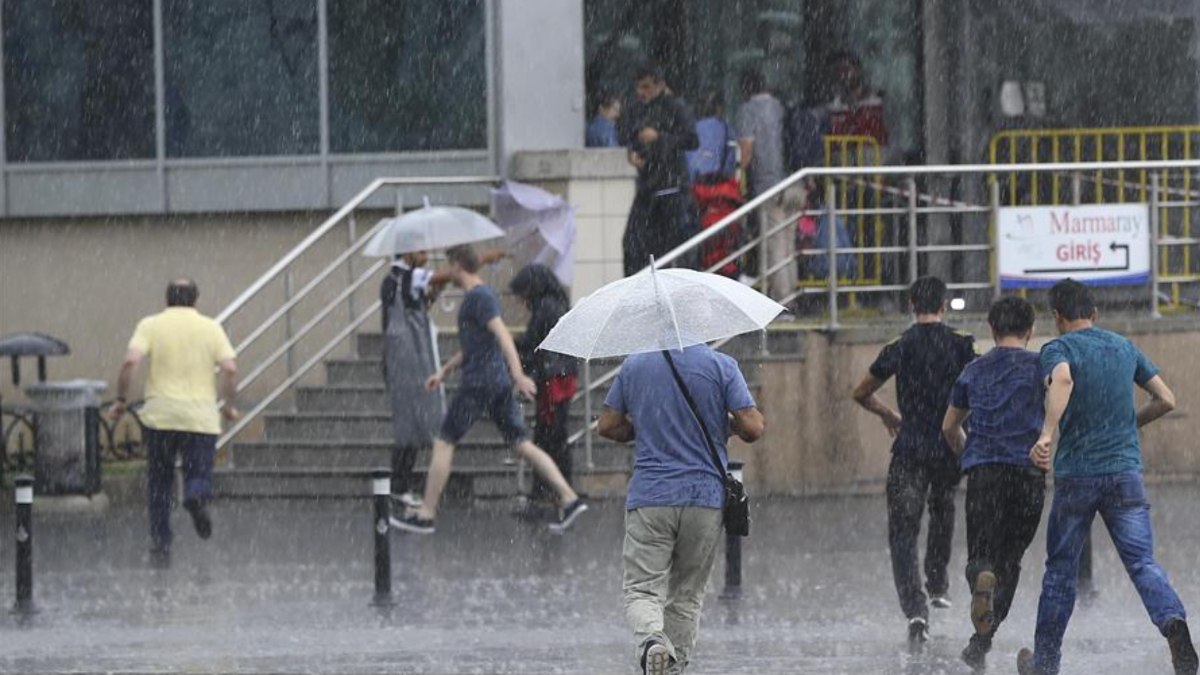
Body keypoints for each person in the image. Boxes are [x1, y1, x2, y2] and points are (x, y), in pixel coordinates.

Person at [1017, 279, 1198, 675]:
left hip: (1078, 477)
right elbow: (1166, 399)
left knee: (1061, 570)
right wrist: (1129, 425)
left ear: (1057, 317)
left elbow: (1062, 380)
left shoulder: (1057, 348)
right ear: (1095, 315)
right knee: (1142, 563)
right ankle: (1173, 624)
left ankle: (1045, 663)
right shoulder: (1123, 346)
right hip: (1124, 474)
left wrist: (1047, 433)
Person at [392, 245, 588, 535]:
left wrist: (519, 375)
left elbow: (502, 337)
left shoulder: (478, 297)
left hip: (480, 382)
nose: (448, 273)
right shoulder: (481, 296)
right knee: (522, 444)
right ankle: (569, 498)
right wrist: (444, 372)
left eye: (449, 266)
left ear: (458, 265)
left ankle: (425, 515)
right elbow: (477, 344)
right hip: (495, 381)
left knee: (445, 442)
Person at [599, 344, 764, 675]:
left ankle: (650, 641)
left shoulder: (634, 366)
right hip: (704, 498)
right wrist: (725, 424)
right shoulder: (722, 365)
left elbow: (606, 425)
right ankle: (673, 668)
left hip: (651, 496)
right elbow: (753, 427)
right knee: (687, 595)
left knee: (643, 588)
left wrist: (641, 429)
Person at [851, 276, 976, 645]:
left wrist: (888, 414)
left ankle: (915, 610)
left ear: (911, 305)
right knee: (943, 508)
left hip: (909, 450)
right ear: (943, 306)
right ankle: (937, 583)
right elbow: (976, 390)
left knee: (903, 531)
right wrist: (961, 424)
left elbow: (861, 392)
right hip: (947, 446)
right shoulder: (960, 344)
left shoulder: (900, 346)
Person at [941, 296, 1046, 671]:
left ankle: (981, 583)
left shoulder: (974, 369)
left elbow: (949, 426)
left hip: (985, 474)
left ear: (992, 329)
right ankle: (980, 642)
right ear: (1031, 330)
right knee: (1010, 562)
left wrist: (970, 454)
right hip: (1029, 474)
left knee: (981, 557)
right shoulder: (1041, 368)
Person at [111, 278, 238, 562]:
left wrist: (120, 400)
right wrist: (229, 406)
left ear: (167, 299)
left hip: (160, 416)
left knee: (159, 480)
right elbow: (230, 368)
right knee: (199, 473)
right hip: (200, 418)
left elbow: (130, 362)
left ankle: (160, 540)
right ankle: (194, 495)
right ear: (196, 299)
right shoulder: (211, 328)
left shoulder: (151, 325)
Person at [510, 264, 578, 511]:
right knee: (551, 436)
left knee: (550, 437)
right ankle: (554, 492)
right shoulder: (553, 304)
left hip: (553, 381)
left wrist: (510, 345)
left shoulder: (546, 308)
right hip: (559, 377)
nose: (520, 300)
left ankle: (551, 493)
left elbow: (535, 344)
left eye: (521, 293)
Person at [619, 64, 699, 276]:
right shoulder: (638, 109)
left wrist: (660, 138)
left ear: (659, 85)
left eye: (646, 87)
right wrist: (634, 152)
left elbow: (692, 140)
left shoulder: (675, 107)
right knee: (634, 243)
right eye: (638, 88)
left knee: (668, 247)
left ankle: (668, 287)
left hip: (671, 187)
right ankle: (641, 289)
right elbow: (632, 137)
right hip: (648, 185)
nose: (641, 93)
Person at [379, 251, 444, 509]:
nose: (427, 255)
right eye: (422, 250)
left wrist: (435, 293)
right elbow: (442, 275)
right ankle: (400, 484)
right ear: (408, 253)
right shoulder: (402, 277)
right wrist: (469, 263)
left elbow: (416, 306)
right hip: (406, 359)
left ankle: (401, 483)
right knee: (408, 422)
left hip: (405, 357)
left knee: (411, 421)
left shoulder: (398, 281)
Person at [737, 68, 806, 301]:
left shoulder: (749, 110)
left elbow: (746, 151)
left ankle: (782, 300)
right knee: (788, 243)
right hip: (796, 182)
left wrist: (737, 171)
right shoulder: (782, 107)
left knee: (775, 244)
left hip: (769, 185)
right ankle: (792, 294)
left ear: (746, 89)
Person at [826, 51, 888, 152]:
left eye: (846, 70)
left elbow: (891, 142)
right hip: (843, 162)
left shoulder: (878, 103)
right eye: (839, 71)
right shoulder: (836, 106)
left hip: (875, 161)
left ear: (858, 70)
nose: (844, 76)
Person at [686, 90, 737, 184]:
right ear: (719, 107)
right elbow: (729, 165)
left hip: (692, 185)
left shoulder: (688, 128)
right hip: (714, 188)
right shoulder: (726, 130)